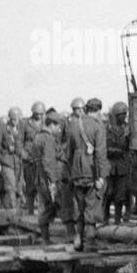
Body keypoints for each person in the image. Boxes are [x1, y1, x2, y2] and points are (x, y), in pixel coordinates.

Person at [64, 98, 107, 252]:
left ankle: (78, 239)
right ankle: (90, 242)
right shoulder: (98, 127)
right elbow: (100, 154)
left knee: (79, 207)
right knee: (92, 206)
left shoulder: (74, 126)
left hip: (76, 173)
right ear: (98, 111)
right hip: (92, 172)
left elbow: (67, 154)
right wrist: (100, 177)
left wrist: (72, 172)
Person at [34, 111, 64, 242]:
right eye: (57, 126)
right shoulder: (48, 139)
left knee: (48, 206)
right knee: (55, 205)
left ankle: (46, 238)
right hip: (48, 179)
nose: (59, 129)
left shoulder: (38, 137)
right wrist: (53, 182)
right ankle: (47, 238)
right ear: (51, 124)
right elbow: (48, 162)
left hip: (40, 178)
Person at [57, 98, 84, 239]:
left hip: (79, 163)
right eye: (76, 109)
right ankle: (69, 230)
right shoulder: (65, 122)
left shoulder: (85, 122)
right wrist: (63, 155)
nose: (79, 112)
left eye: (80, 109)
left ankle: (81, 231)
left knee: (80, 198)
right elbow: (58, 141)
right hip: (67, 163)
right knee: (67, 197)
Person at [0, 107, 25, 210]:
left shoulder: (21, 129)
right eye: (13, 119)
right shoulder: (2, 129)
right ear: (9, 118)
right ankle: (12, 209)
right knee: (10, 185)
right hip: (6, 161)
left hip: (18, 162)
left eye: (17, 118)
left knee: (18, 187)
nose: (15, 121)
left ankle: (15, 209)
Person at [103, 102, 130, 224]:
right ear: (115, 115)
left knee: (120, 195)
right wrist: (118, 150)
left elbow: (129, 147)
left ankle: (117, 220)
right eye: (121, 114)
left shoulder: (128, 129)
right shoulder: (108, 129)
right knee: (108, 193)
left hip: (123, 165)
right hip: (110, 165)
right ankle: (105, 217)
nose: (123, 116)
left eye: (125, 114)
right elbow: (106, 147)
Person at [21, 101, 46, 214]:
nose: (39, 116)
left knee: (42, 185)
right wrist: (24, 155)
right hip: (29, 158)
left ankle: (43, 211)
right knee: (30, 185)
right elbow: (19, 142)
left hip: (42, 158)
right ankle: (30, 210)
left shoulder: (46, 123)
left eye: (41, 114)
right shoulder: (25, 123)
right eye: (37, 113)